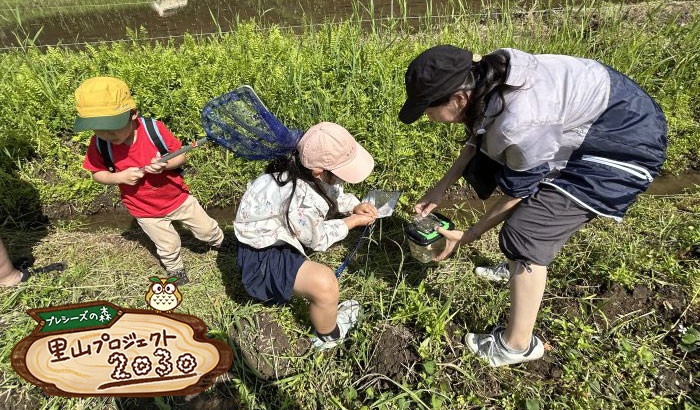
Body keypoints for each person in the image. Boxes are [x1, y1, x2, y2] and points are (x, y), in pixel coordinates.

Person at [399, 45, 667, 366]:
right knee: (495, 167)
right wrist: (441, 187)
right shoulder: (486, 78)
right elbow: (479, 134)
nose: (427, 116)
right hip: (606, 115)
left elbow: (518, 192)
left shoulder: (519, 120)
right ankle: (519, 271)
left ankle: (516, 346)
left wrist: (469, 235)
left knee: (526, 232)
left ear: (458, 99)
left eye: (427, 108)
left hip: (625, 144)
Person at [234, 122, 377, 350]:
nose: (343, 181)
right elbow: (317, 239)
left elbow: (333, 192)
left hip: (270, 236)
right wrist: (352, 221)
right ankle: (328, 335)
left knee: (319, 275)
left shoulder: (297, 169)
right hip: (260, 261)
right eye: (340, 174)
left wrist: (354, 206)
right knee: (325, 284)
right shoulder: (300, 199)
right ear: (319, 172)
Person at [77, 77, 225, 284]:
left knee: (206, 229)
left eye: (112, 127)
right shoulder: (100, 143)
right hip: (144, 209)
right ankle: (176, 270)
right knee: (168, 244)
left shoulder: (152, 130)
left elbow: (181, 156)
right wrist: (119, 177)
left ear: (133, 114)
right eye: (98, 129)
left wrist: (165, 164)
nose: (107, 135)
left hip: (178, 198)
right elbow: (97, 174)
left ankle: (221, 244)